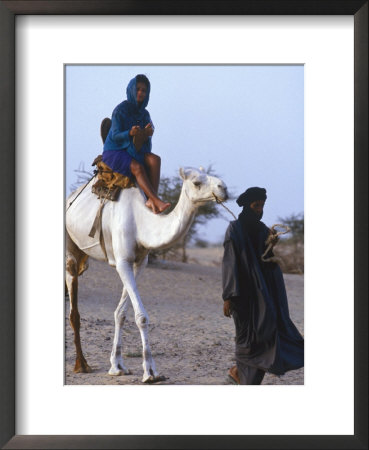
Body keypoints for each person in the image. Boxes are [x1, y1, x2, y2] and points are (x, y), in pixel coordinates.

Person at [222, 187, 304, 385]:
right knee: (247, 340)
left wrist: (270, 244)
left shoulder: (262, 230)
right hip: (242, 294)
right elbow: (230, 263)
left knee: (267, 334)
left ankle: (239, 374)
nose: (259, 210)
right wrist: (228, 296)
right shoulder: (234, 228)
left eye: (262, 206)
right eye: (255, 205)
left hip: (263, 294)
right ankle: (239, 374)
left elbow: (264, 259)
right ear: (246, 206)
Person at [102, 74, 170, 214]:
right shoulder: (120, 110)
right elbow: (114, 135)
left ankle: (152, 199)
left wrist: (147, 133)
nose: (140, 93)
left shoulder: (145, 114)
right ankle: (155, 199)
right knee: (137, 167)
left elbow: (147, 141)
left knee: (155, 160)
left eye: (144, 90)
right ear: (132, 90)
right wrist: (129, 133)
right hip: (115, 151)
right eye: (138, 89)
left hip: (134, 150)